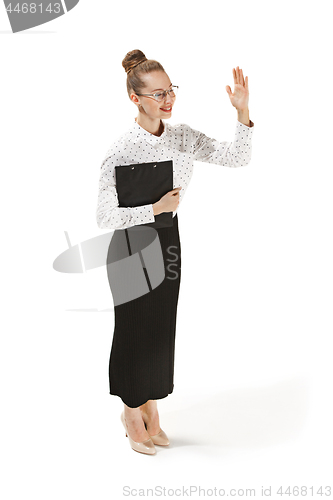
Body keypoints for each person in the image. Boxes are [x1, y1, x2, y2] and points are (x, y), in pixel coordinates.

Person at [96, 49, 254, 455]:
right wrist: (154, 208)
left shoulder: (182, 136)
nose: (168, 100)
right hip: (130, 246)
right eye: (157, 94)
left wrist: (242, 114)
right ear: (135, 98)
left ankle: (150, 404)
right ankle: (132, 412)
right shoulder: (122, 149)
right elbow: (103, 216)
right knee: (133, 330)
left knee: (159, 329)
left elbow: (237, 157)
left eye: (171, 91)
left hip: (167, 240)